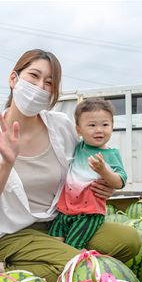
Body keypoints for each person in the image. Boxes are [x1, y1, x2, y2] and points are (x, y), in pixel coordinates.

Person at [0, 49, 140, 282]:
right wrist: (6, 163)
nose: (40, 86)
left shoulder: (61, 126)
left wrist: (105, 184)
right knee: (80, 269)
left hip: (60, 223)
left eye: (49, 82)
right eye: (34, 76)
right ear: (13, 79)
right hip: (12, 234)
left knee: (129, 240)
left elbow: (85, 163)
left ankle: (34, 266)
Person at [48, 98, 126, 249]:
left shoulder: (111, 154)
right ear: (79, 130)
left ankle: (80, 268)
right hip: (64, 210)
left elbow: (120, 182)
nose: (99, 130)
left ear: (112, 126)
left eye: (105, 125)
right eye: (92, 125)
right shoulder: (78, 147)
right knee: (54, 243)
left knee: (72, 247)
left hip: (89, 214)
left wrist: (104, 171)